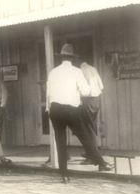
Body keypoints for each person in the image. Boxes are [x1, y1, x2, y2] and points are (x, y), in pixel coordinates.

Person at [46, 43, 112, 183]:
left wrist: (49, 108)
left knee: (60, 141)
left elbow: (48, 94)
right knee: (85, 136)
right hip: (71, 109)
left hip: (55, 109)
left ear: (61, 58)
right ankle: (100, 163)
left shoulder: (53, 72)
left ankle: (64, 174)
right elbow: (86, 91)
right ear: (72, 59)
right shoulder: (77, 71)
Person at [76, 56, 104, 164]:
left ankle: (91, 156)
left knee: (86, 130)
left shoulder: (80, 71)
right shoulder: (93, 69)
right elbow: (101, 86)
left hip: (86, 100)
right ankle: (91, 153)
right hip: (96, 100)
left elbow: (83, 90)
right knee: (91, 127)